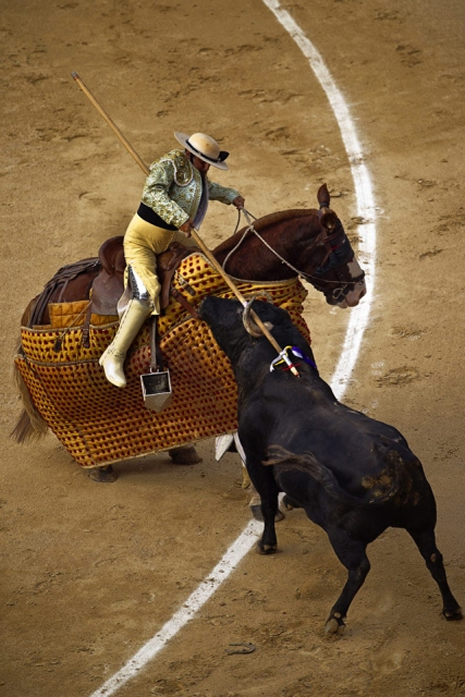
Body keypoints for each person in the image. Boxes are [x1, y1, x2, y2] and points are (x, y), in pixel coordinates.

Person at [99, 131, 245, 388]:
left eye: (208, 164)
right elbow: (152, 193)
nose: (206, 168)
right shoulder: (169, 164)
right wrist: (179, 218)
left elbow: (206, 189)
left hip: (169, 240)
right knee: (146, 295)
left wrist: (231, 195)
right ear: (190, 154)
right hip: (141, 243)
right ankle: (113, 354)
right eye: (203, 162)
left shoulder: (196, 171)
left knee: (206, 263)